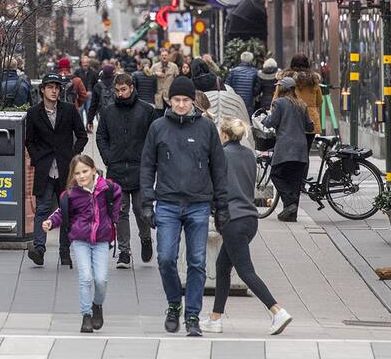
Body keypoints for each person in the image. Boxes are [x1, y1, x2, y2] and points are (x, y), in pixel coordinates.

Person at [139, 75, 229, 337]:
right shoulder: (158, 127)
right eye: (176, 100)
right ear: (169, 100)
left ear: (193, 102)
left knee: (197, 261)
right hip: (167, 202)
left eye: (185, 100)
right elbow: (147, 166)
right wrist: (147, 202)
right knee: (166, 258)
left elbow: (219, 168)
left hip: (198, 203)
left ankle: (192, 315)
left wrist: (221, 206)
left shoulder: (206, 128)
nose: (180, 105)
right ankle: (173, 303)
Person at [204, 118, 293, 334]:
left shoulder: (221, 155)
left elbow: (215, 186)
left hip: (232, 219)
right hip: (250, 218)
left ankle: (277, 310)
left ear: (224, 135)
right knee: (223, 267)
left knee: (245, 270)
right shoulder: (249, 155)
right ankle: (215, 318)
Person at [41, 155, 123, 333]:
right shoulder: (71, 194)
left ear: (93, 170)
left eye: (85, 171)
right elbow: (61, 212)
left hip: (101, 240)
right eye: (77, 173)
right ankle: (86, 315)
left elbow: (118, 194)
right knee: (85, 278)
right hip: (80, 240)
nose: (81, 176)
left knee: (101, 280)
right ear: (73, 175)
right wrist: (51, 222)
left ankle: (97, 305)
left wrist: (113, 218)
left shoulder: (106, 187)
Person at [95, 73, 159, 268]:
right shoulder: (109, 111)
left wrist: (149, 161)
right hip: (116, 168)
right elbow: (101, 136)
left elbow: (155, 137)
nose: (120, 93)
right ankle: (124, 251)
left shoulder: (146, 110)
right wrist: (108, 158)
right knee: (120, 211)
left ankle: (145, 238)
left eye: (123, 89)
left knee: (141, 210)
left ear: (131, 88)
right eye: (117, 90)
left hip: (140, 168)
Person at [26, 72, 88, 267]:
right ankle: (39, 248)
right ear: (42, 90)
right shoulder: (34, 113)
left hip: (65, 169)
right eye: (50, 87)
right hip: (45, 168)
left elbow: (82, 135)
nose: (54, 91)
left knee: (66, 210)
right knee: (42, 209)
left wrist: (73, 156)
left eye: (57, 88)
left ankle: (64, 251)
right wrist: (37, 157)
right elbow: (29, 141)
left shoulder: (69, 110)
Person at [263, 77, 314, 222]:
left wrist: (264, 120)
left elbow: (272, 121)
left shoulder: (279, 103)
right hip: (301, 148)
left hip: (286, 147)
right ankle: (291, 215)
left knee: (276, 174)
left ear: (282, 88)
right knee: (294, 181)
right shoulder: (302, 104)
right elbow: (309, 126)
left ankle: (290, 203)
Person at [286, 55, 324, 149]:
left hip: (291, 119)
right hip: (311, 119)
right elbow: (319, 101)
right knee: (306, 150)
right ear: (307, 64)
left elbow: (276, 100)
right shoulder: (314, 80)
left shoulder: (286, 80)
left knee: (292, 150)